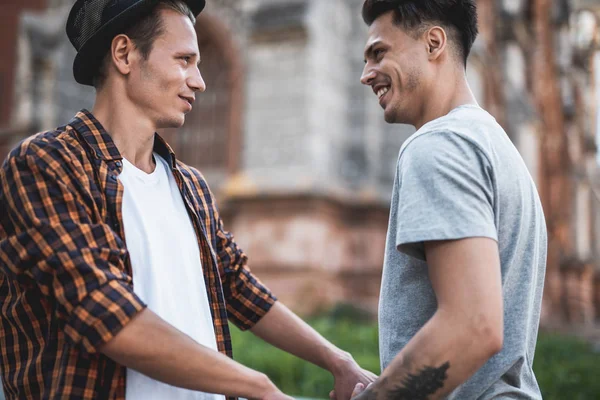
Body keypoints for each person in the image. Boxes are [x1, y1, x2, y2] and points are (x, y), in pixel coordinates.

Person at [0, 0, 376, 399]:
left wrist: (339, 361)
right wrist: (261, 388)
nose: (199, 80)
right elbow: (101, 310)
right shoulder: (46, 164)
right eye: (184, 60)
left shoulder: (189, 185)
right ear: (125, 54)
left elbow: (239, 286)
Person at [353, 0, 547, 399]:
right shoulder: (497, 147)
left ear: (434, 43)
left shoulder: (438, 146)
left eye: (378, 53)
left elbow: (472, 326)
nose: (365, 74)